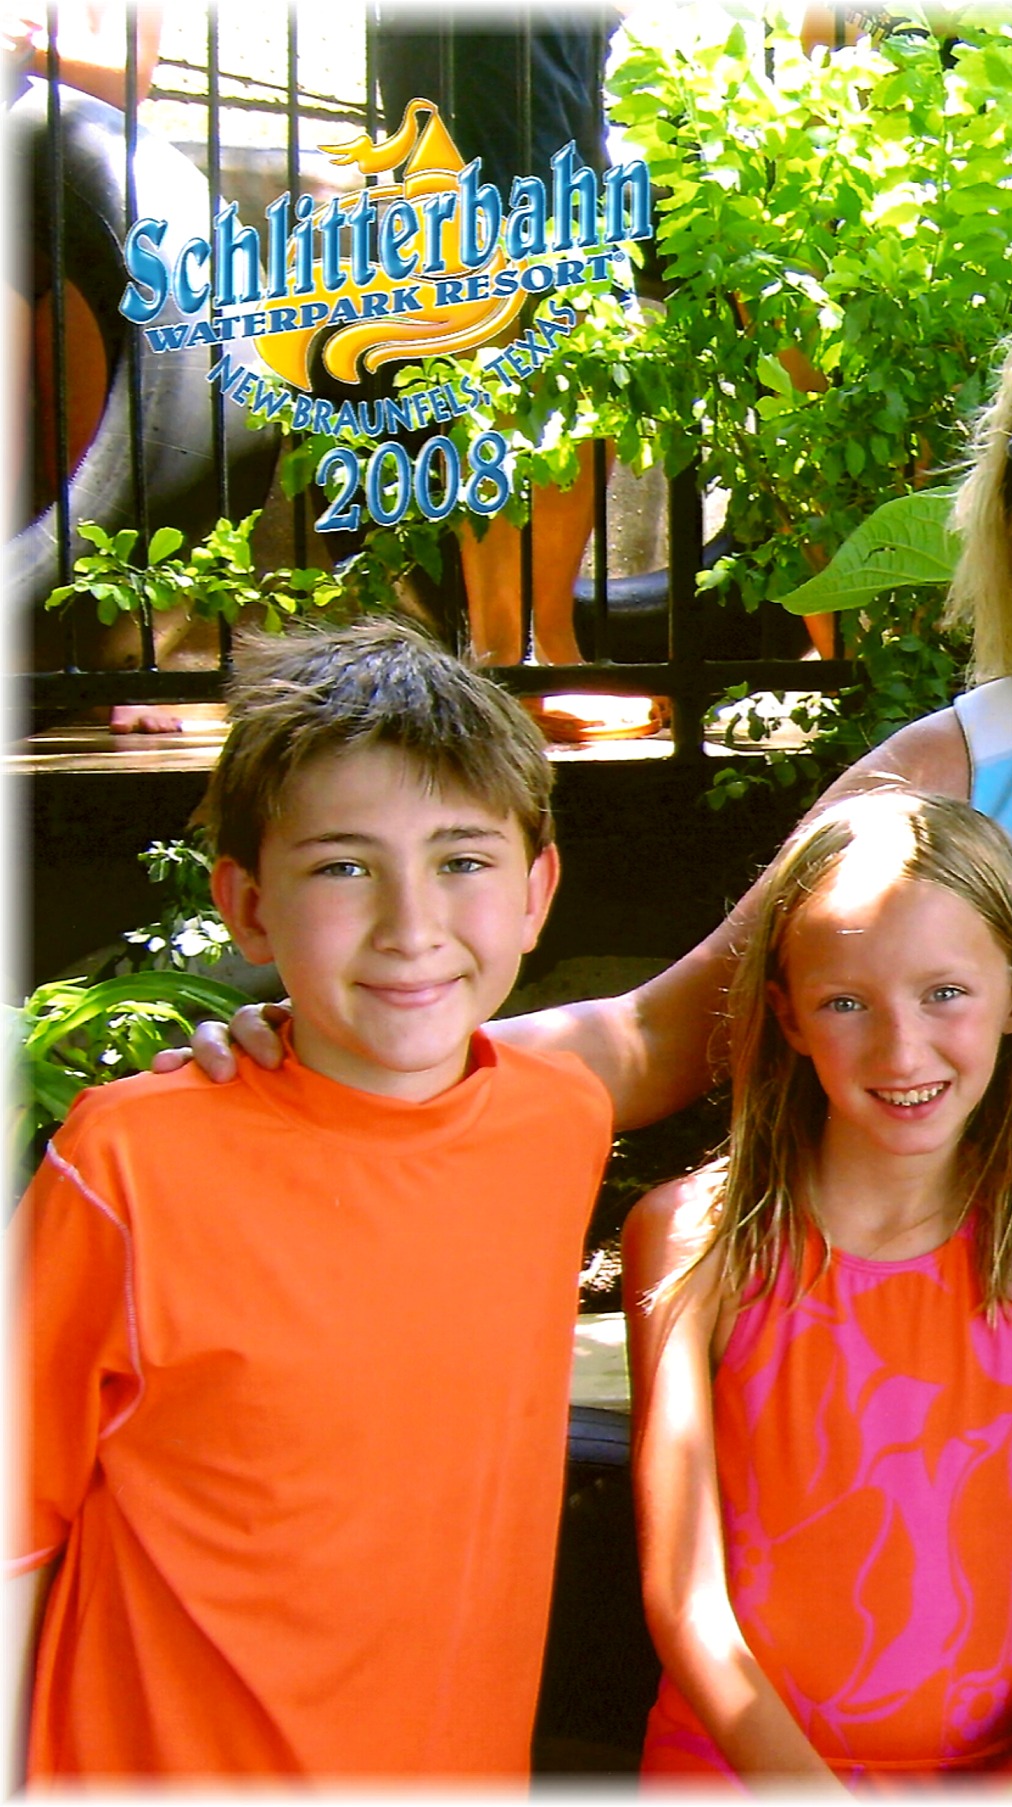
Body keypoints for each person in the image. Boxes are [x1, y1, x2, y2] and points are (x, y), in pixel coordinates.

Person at [179, 286, 1012, 1707]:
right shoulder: (944, 771)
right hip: (977, 1348)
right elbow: (670, 1029)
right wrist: (355, 1054)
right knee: (971, 1722)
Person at [5, 621, 658, 1778]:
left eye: (462, 862)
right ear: (249, 905)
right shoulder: (128, 1165)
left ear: (537, 891)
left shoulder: (558, 1122)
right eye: (344, 866)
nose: (412, 927)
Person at [624, 789, 1012, 1785]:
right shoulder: (695, 1241)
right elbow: (684, 1599)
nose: (901, 1050)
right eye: (846, 1002)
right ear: (788, 1016)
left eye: (945, 993)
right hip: (729, 1770)